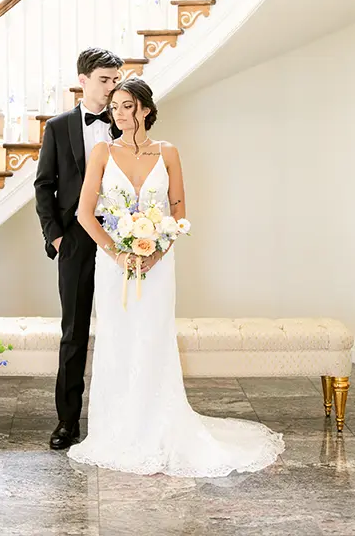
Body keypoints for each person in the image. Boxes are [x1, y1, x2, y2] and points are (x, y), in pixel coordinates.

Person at [67, 76, 285, 477]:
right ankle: (116, 429)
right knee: (117, 339)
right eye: (114, 106)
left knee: (152, 338)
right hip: (114, 266)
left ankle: (158, 427)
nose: (119, 113)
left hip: (157, 264)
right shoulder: (101, 151)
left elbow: (178, 216)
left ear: (146, 109)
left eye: (127, 105)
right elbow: (84, 215)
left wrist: (154, 253)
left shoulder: (168, 152)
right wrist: (118, 254)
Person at [34, 47, 123, 450]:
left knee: (123, 328)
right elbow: (43, 186)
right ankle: (67, 422)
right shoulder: (58, 127)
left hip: (123, 235)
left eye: (115, 80)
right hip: (75, 240)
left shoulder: (126, 122)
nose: (111, 88)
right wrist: (56, 237)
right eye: (104, 80)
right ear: (83, 80)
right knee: (74, 332)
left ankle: (122, 418)